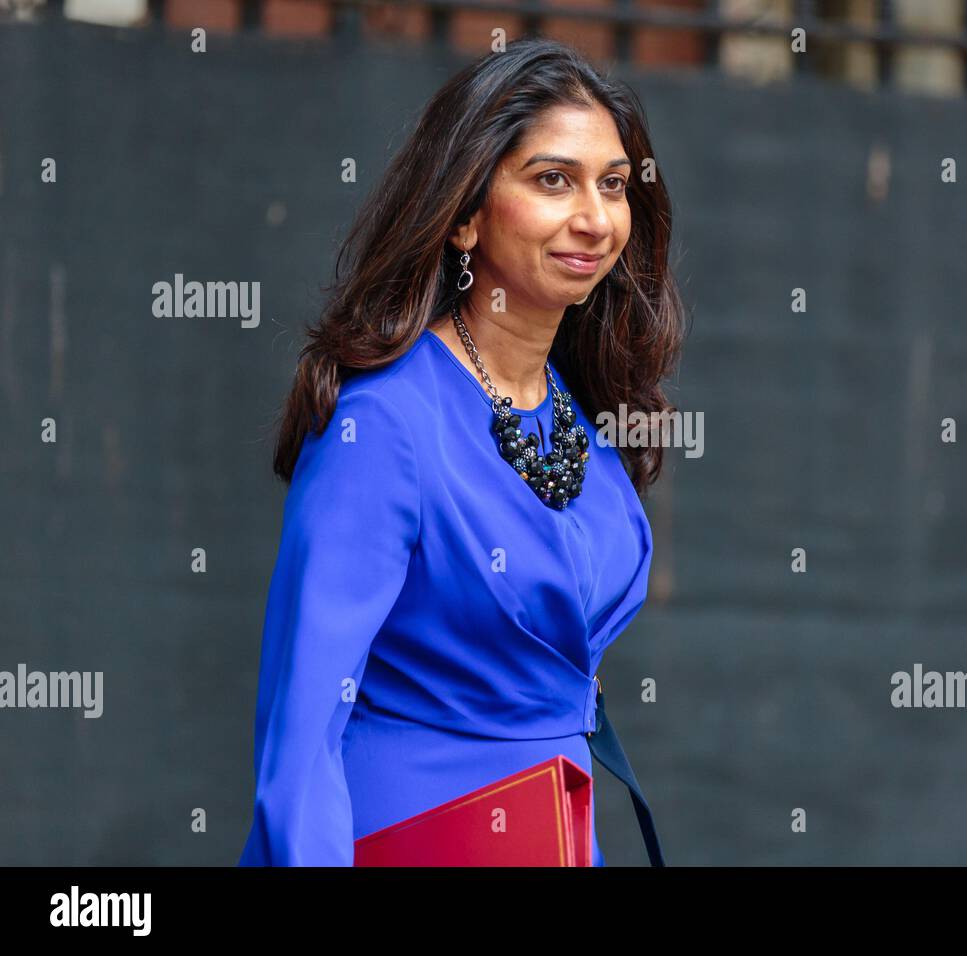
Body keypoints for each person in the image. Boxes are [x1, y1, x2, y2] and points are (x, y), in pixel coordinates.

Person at [237, 38, 685, 866]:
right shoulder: (385, 426)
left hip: (554, 829)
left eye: (613, 185)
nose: (594, 216)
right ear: (467, 213)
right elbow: (300, 737)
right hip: (415, 834)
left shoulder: (579, 417)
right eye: (554, 179)